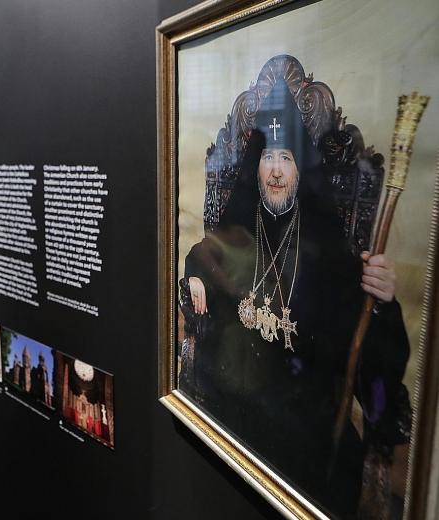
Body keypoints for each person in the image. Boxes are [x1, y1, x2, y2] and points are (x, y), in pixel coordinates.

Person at [178, 80, 410, 517]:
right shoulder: (244, 217)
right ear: (257, 166)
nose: (276, 171)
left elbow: (368, 357)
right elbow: (205, 255)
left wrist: (382, 301)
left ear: (300, 169)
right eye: (268, 157)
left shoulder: (326, 242)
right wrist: (194, 277)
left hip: (300, 422)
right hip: (234, 404)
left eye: (285, 158)